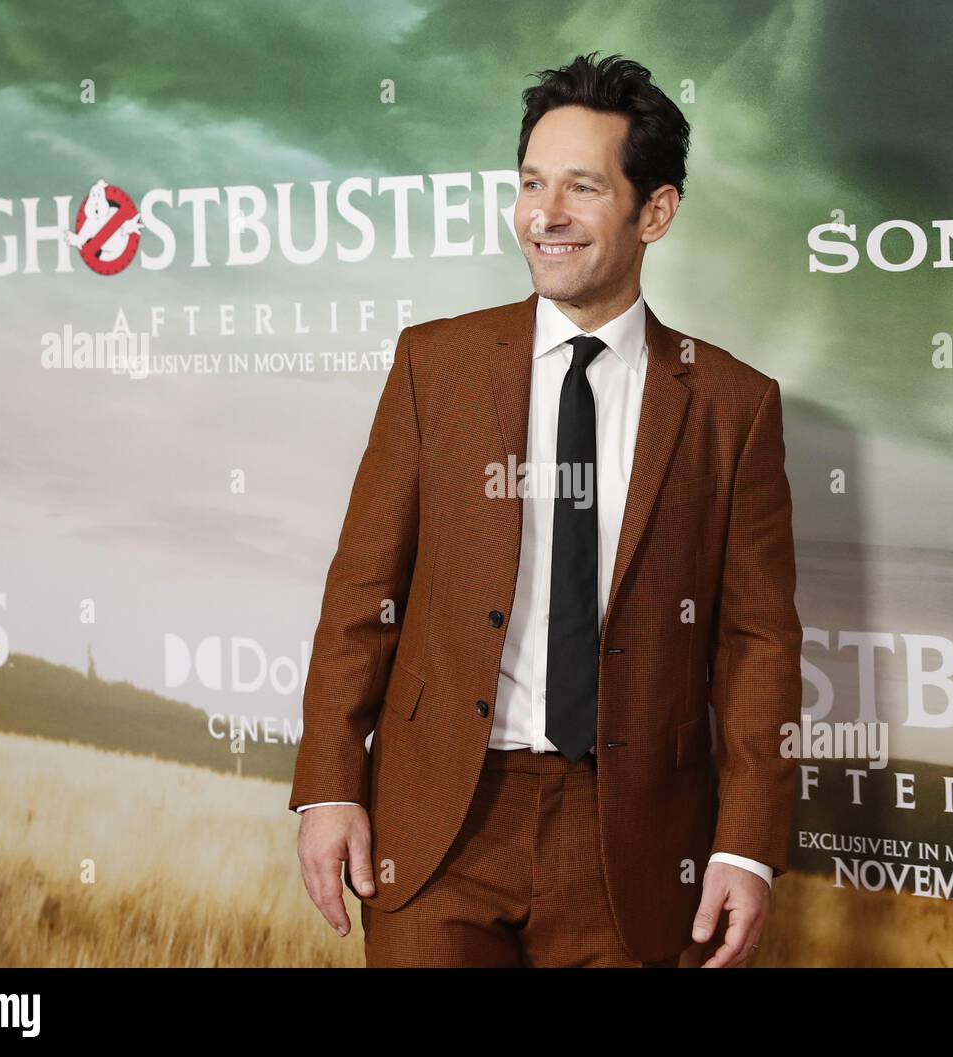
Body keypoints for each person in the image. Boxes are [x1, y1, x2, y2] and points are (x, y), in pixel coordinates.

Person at [291, 52, 802, 968]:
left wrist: (746, 842)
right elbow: (363, 589)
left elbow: (759, 642)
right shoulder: (433, 365)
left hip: (633, 840)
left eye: (581, 188)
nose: (545, 216)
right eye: (530, 184)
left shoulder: (734, 404)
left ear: (656, 211)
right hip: (442, 818)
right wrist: (328, 784)